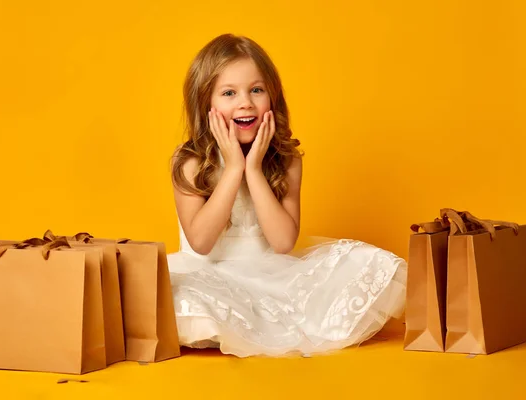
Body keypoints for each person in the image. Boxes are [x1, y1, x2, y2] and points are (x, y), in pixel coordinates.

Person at [167, 33, 407, 357]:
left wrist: (253, 170)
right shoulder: (190, 163)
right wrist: (233, 168)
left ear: (272, 98)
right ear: (205, 104)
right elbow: (201, 242)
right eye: (228, 93)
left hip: (269, 276)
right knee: (181, 297)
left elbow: (282, 242)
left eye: (256, 90)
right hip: (206, 274)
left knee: (366, 263)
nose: (245, 103)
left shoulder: (286, 160)